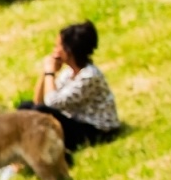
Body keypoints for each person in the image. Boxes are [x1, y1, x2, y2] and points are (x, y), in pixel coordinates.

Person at [19, 20, 122, 152]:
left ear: (69, 50)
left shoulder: (89, 76)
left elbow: (52, 103)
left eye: (58, 46)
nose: (54, 51)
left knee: (41, 113)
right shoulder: (68, 73)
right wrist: (44, 73)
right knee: (26, 108)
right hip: (78, 122)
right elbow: (39, 101)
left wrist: (50, 72)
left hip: (97, 131)